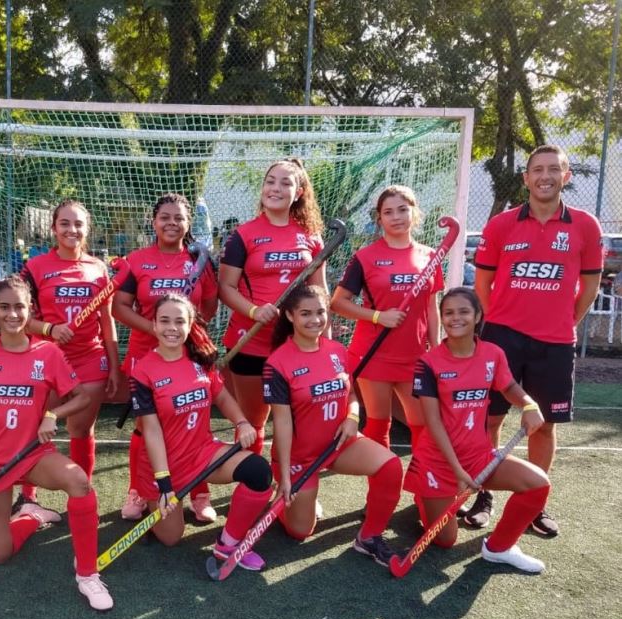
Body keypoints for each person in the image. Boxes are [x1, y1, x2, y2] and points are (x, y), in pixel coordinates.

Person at [0, 275, 113, 611]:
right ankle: (32, 516)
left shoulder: (48, 352)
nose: (13, 314)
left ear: (30, 310)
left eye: (19, 307)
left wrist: (53, 414)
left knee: (79, 481)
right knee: (0, 554)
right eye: (5, 307)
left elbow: (81, 397)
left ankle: (88, 574)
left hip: (34, 455)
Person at [472, 144, 603, 536]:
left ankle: (533, 503)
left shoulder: (585, 226)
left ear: (566, 177)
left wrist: (565, 321)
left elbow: (590, 285)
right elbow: (483, 284)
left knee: (544, 426)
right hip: (501, 339)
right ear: (526, 178)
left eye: (554, 170)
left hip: (555, 344)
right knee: (490, 419)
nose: (545, 176)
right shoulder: (501, 224)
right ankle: (484, 493)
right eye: (537, 170)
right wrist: (495, 325)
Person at [405, 287, 550, 572]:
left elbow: (508, 386)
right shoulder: (428, 362)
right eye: (448, 313)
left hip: (480, 457)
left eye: (463, 311)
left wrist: (529, 404)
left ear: (477, 316)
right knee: (445, 540)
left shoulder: (492, 354)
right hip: (439, 463)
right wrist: (459, 472)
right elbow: (432, 422)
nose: (455, 318)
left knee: (538, 483)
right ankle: (423, 495)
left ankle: (499, 548)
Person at [130, 293, 274, 570]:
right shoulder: (143, 372)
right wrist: (164, 484)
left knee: (258, 472)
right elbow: (151, 431)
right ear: (154, 324)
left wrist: (242, 422)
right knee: (171, 538)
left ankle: (228, 544)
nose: (172, 328)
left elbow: (221, 396)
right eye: (165, 321)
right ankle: (152, 507)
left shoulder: (200, 358)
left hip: (201, 455)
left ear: (190, 324)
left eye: (179, 321)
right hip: (163, 467)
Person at [265, 285, 403, 567]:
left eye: (320, 312)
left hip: (339, 444)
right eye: (305, 313)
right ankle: (279, 503)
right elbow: (281, 422)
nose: (315, 319)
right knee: (300, 532)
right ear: (290, 316)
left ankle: (369, 537)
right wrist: (286, 478)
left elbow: (351, 394)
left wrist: (353, 418)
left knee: (390, 466)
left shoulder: (337, 350)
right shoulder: (277, 364)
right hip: (300, 456)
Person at [112, 193, 220, 521]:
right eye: (165, 217)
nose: (172, 223)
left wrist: (188, 333)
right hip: (145, 355)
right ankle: (138, 490)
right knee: (145, 427)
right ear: (154, 221)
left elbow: (211, 304)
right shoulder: (137, 260)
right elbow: (119, 307)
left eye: (179, 218)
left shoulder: (200, 259)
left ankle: (200, 492)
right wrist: (156, 329)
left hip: (189, 354)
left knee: (196, 419)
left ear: (188, 223)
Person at [14, 200, 121, 522]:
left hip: (91, 359)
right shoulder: (35, 268)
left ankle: (81, 494)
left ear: (87, 229)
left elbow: (107, 321)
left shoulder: (99, 269)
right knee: (33, 429)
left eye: (78, 224)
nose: (71, 230)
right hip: (47, 361)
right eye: (65, 223)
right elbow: (19, 317)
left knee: (80, 430)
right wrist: (49, 328)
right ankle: (27, 499)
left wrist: (114, 366)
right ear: (53, 228)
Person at [218, 158, 326, 457]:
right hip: (250, 342)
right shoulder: (244, 234)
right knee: (254, 421)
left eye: (285, 182)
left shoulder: (311, 236)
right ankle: (257, 490)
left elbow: (320, 293)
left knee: (293, 419)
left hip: (296, 344)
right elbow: (225, 288)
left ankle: (286, 487)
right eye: (270, 181)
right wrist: (254, 311)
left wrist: (323, 339)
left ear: (300, 192)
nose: (275, 188)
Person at [331, 185, 441, 456]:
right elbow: (337, 303)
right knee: (379, 427)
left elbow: (431, 306)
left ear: (414, 213)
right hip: (373, 355)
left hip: (414, 357)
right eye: (388, 212)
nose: (396, 217)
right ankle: (382, 492)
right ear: (379, 218)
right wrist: (379, 316)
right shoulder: (365, 258)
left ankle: (426, 491)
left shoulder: (430, 256)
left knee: (423, 426)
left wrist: (437, 348)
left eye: (403, 210)